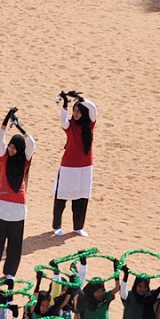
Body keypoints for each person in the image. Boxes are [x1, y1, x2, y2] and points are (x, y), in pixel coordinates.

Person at [0, 109, 34, 281]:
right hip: (1, 206)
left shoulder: (25, 160)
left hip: (18, 208)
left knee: (15, 243)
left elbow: (32, 143)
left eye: (13, 146)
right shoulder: (4, 158)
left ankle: (10, 272)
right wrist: (5, 121)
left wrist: (19, 126)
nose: (10, 148)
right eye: (10, 145)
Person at [51, 91, 96, 236]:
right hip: (68, 167)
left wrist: (82, 99)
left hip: (85, 166)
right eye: (74, 110)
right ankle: (56, 226)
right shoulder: (70, 125)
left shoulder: (90, 125)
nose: (76, 113)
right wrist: (65, 103)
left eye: (78, 111)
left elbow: (93, 110)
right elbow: (63, 120)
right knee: (61, 197)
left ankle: (78, 227)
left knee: (81, 198)